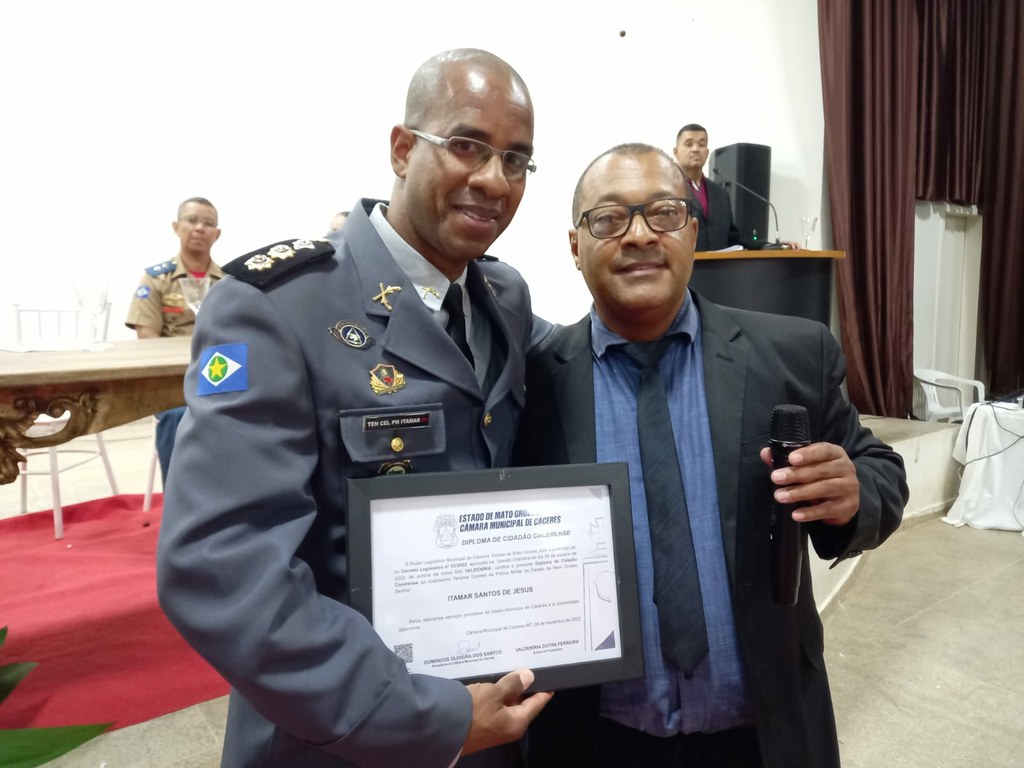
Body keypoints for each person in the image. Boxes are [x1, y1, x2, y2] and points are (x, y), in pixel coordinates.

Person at [156, 49, 551, 768]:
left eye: (516, 159)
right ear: (401, 149)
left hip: (493, 717)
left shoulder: (503, 297)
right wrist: (424, 717)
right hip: (344, 735)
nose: (495, 180)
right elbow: (220, 566)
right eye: (467, 145)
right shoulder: (277, 306)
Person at [515, 143, 908, 768]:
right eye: (609, 219)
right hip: (595, 742)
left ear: (693, 232)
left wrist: (854, 493)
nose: (639, 236)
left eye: (664, 213)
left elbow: (879, 468)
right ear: (575, 246)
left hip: (762, 738)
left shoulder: (791, 355)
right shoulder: (529, 385)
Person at [125, 196, 224, 482]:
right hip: (172, 381)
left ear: (217, 234)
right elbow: (148, 338)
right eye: (192, 220)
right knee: (178, 415)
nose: (199, 228)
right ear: (176, 227)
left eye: (208, 223)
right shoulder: (156, 279)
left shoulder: (229, 282)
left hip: (217, 374)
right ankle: (179, 497)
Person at [673, 124, 799, 251]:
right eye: (689, 144)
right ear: (676, 152)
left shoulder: (720, 194)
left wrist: (771, 246)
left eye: (701, 144)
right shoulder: (668, 191)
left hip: (719, 264)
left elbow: (734, 241)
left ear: (706, 152)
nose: (695, 149)